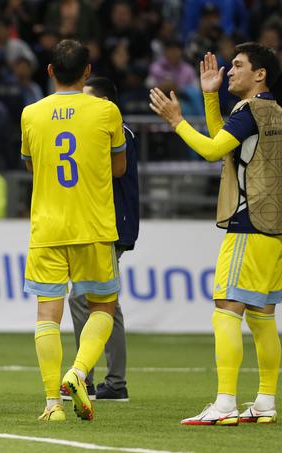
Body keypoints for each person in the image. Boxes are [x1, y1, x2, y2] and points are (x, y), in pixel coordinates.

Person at [150, 45, 282, 426]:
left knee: (226, 308)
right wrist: (210, 96)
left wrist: (177, 121)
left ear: (260, 75)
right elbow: (226, 146)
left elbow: (211, 150)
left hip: (248, 223)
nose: (230, 72)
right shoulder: (273, 111)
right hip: (273, 228)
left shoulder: (249, 111)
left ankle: (224, 404)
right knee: (262, 315)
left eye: (239, 66)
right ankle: (265, 402)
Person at [20, 39, 127, 422]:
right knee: (104, 306)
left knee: (47, 315)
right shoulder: (107, 111)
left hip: (47, 227)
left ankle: (53, 404)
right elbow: (118, 170)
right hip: (94, 226)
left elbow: (32, 169)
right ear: (88, 71)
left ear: (49, 71)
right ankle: (78, 372)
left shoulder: (31, 114)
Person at [63, 77, 139, 403]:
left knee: (84, 301)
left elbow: (114, 172)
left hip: (109, 224)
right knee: (106, 304)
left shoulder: (115, 131)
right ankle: (114, 382)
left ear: (106, 103)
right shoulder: (110, 130)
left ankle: (86, 378)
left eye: (89, 99)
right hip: (104, 223)